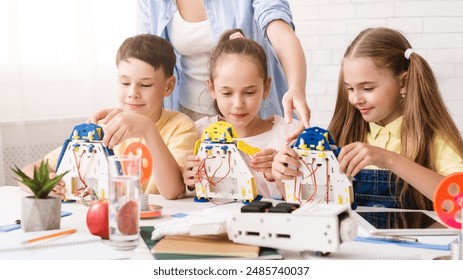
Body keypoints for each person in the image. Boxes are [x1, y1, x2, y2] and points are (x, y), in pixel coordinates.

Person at [272, 27, 463, 211]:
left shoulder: (432, 138)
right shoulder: (341, 135)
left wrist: (390, 160)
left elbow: (458, 202)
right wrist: (284, 174)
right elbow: (310, 203)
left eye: (368, 88)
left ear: (403, 82)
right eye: (350, 89)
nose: (356, 99)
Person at [91, 0, 310, 140]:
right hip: (186, 114)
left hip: (249, 110)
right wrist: (130, 108)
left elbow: (280, 34)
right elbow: (144, 61)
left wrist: (296, 86)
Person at [21, 34, 198, 200]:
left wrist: (147, 129)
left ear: (168, 87)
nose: (132, 93)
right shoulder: (104, 125)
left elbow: (172, 191)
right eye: (125, 83)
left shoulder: (180, 126)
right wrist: (44, 184)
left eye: (145, 84)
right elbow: (27, 172)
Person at [183, 29, 300, 199]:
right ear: (212, 89)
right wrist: (189, 182)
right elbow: (185, 196)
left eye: (249, 92)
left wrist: (275, 176)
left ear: (266, 88)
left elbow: (305, 202)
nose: (238, 104)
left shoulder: (288, 136)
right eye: (227, 93)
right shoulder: (198, 132)